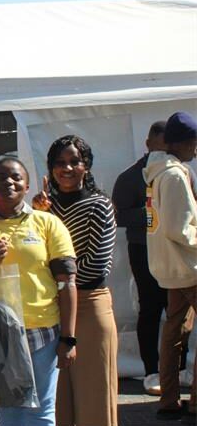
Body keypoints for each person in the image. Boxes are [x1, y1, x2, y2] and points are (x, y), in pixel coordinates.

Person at [0, 155, 77, 426]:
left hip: (43, 332)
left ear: (27, 185)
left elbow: (67, 282)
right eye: (0, 178)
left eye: (16, 177)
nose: (8, 182)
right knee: (9, 413)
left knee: (41, 414)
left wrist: (68, 338)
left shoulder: (48, 224)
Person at [32, 135, 118, 426]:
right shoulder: (45, 209)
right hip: (53, 310)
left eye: (74, 162)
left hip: (89, 307)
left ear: (87, 166)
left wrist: (56, 279)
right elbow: (34, 257)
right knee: (57, 400)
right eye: (59, 163)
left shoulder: (100, 205)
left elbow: (97, 265)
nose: (66, 168)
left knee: (94, 397)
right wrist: (36, 215)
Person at [112, 120, 191, 395]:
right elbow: (120, 214)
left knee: (179, 317)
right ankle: (151, 370)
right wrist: (154, 214)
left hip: (175, 252)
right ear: (149, 145)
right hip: (144, 249)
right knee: (150, 308)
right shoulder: (133, 176)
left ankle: (178, 372)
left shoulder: (180, 171)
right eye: (158, 146)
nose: (162, 152)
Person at [143, 111, 197, 422]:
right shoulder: (175, 175)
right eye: (193, 143)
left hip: (169, 267)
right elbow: (180, 229)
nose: (196, 149)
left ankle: (169, 399)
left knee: (174, 332)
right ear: (181, 144)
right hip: (189, 266)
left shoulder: (155, 171)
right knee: (175, 332)